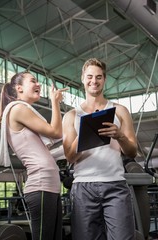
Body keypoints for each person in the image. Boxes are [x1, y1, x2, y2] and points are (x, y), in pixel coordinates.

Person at [62, 58, 138, 240]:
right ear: (82, 78)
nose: (93, 81)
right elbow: (70, 157)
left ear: (104, 79)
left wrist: (119, 136)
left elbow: (132, 151)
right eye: (89, 77)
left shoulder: (120, 110)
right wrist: (86, 132)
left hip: (115, 184)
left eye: (98, 77)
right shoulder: (72, 115)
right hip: (83, 186)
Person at [0, 71, 67, 240]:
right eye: (33, 81)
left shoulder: (24, 111)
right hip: (41, 185)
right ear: (19, 88)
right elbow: (56, 132)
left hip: (50, 186)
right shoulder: (18, 108)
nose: (38, 84)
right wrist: (55, 102)